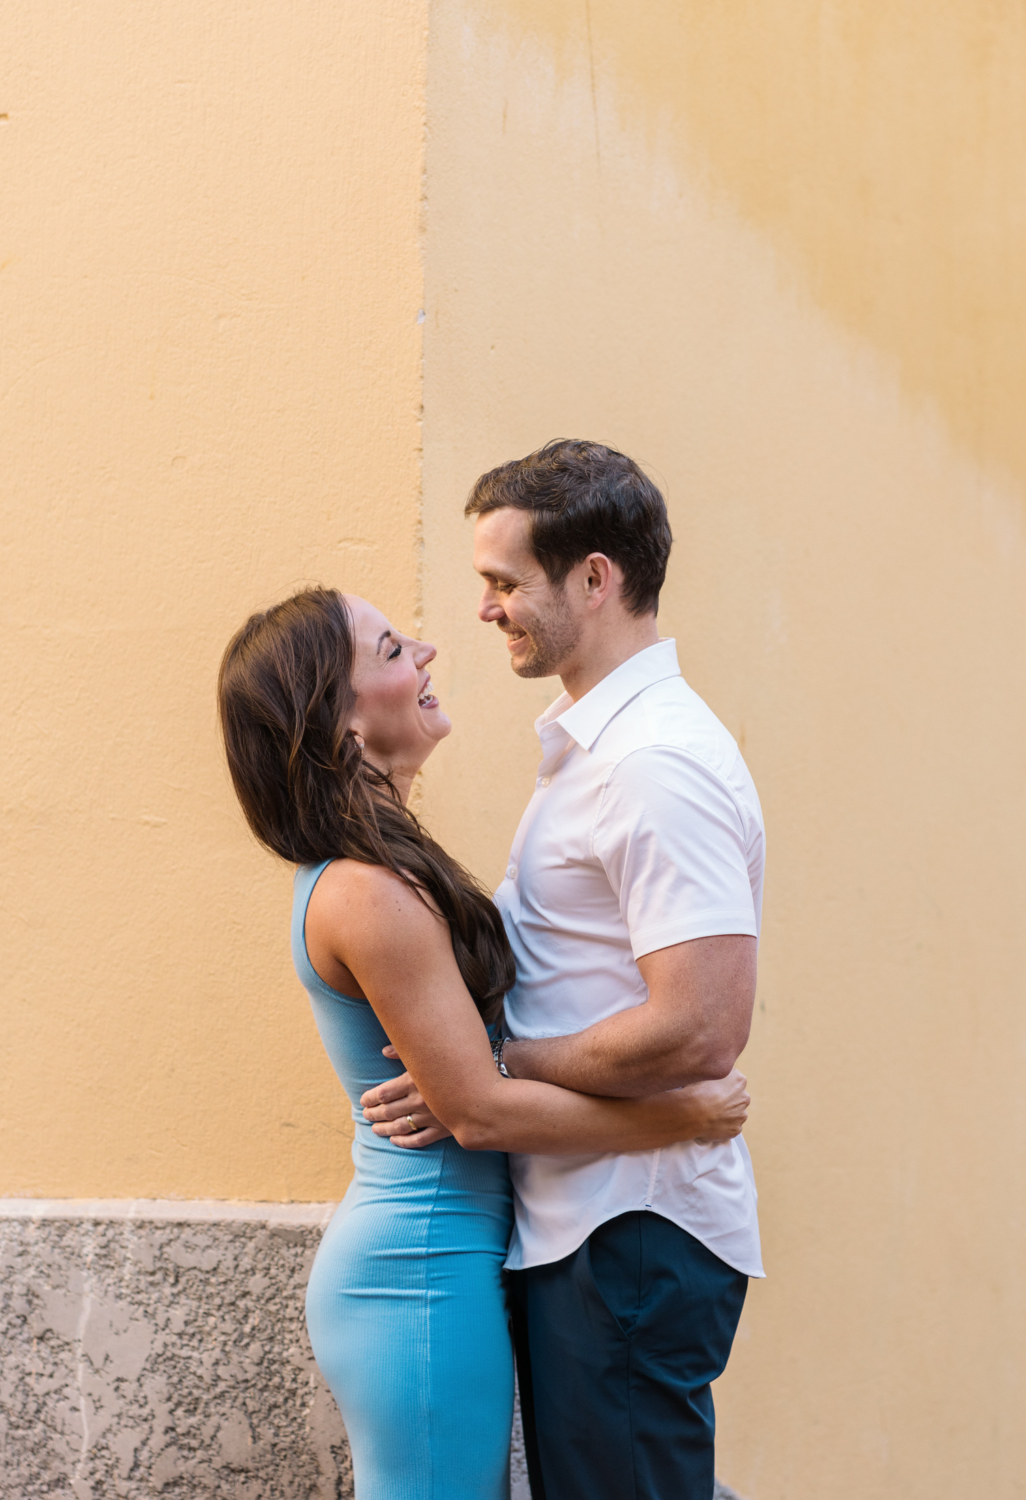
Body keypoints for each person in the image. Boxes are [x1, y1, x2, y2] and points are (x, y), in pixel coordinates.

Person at [218, 585, 750, 1500]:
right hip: (418, 1269)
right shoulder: (365, 893)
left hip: (452, 1254)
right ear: (340, 725)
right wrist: (680, 1117)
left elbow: (472, 1083)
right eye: (389, 650)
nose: (426, 650)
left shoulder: (384, 870)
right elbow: (477, 1109)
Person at [363, 440, 765, 1500]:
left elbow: (701, 1029)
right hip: (592, 1224)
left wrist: (500, 1068)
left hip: (627, 1229)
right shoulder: (600, 750)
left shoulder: (652, 765)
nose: (484, 610)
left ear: (596, 577)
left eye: (504, 583)